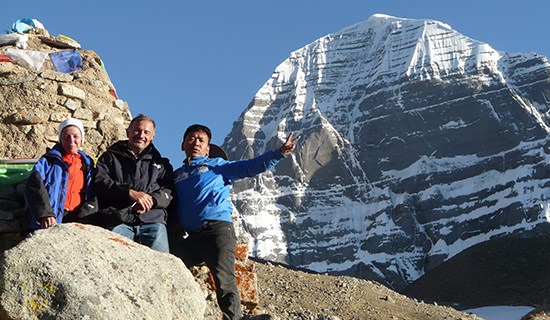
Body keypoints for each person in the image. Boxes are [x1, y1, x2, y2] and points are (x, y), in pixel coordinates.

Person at [171, 124, 299, 320]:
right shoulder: (176, 175)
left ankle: (234, 318)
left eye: (201, 140)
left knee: (224, 281)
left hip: (217, 231)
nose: (195, 142)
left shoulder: (218, 165)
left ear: (207, 148)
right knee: (171, 261)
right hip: (192, 236)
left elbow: (249, 167)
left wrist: (279, 153)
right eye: (191, 139)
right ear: (182, 145)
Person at [94, 114, 173, 252]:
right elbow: (100, 181)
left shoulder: (162, 164)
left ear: (152, 137)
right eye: (137, 130)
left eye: (147, 132)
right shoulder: (110, 157)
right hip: (118, 219)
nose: (141, 135)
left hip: (153, 220)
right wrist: (129, 193)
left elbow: (169, 190)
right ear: (128, 131)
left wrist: (151, 201)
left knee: (161, 266)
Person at [24, 118, 97, 231]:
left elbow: (94, 192)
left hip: (78, 219)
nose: (71, 141)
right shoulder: (48, 161)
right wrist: (45, 213)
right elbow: (34, 185)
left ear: (82, 138)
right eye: (66, 137)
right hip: (50, 219)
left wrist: (87, 214)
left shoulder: (88, 164)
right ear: (60, 140)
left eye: (75, 136)